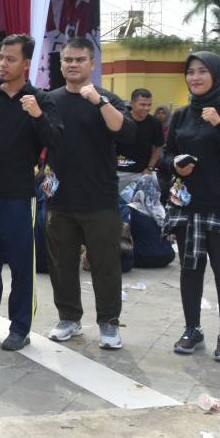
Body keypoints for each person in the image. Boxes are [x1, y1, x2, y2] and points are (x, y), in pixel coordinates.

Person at [0, 34, 62, 351]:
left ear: (27, 64)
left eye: (10, 59)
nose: (3, 64)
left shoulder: (40, 101)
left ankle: (20, 328)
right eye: (1, 58)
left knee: (21, 265)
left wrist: (37, 116)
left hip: (19, 198)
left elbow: (56, 141)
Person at [161, 52, 220, 362]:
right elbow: (166, 156)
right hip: (188, 206)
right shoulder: (181, 115)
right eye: (190, 72)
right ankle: (193, 330)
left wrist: (219, 125)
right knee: (190, 271)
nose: (195, 77)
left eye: (202, 71)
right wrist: (176, 164)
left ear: (216, 74)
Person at [43, 38, 135, 349]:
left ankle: (108, 323)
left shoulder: (107, 99)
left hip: (100, 199)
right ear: (61, 64)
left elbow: (125, 132)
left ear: (92, 64)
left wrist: (99, 101)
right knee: (61, 264)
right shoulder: (50, 99)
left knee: (105, 265)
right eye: (68, 59)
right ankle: (69, 318)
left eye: (80, 59)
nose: (73, 64)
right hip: (60, 199)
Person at [116, 88, 164, 185]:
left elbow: (159, 146)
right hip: (120, 171)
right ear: (132, 103)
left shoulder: (155, 123)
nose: (146, 108)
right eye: (142, 104)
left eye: (149, 105)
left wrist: (150, 168)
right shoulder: (120, 119)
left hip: (144, 172)